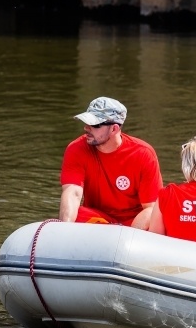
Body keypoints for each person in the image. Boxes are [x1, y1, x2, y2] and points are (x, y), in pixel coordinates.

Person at [59, 96, 163, 230]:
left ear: (114, 129)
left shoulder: (143, 154)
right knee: (77, 215)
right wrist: (63, 230)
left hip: (132, 224)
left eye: (95, 124)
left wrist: (126, 239)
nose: (86, 128)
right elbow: (73, 193)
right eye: (86, 122)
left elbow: (151, 209)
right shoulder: (76, 149)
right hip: (98, 220)